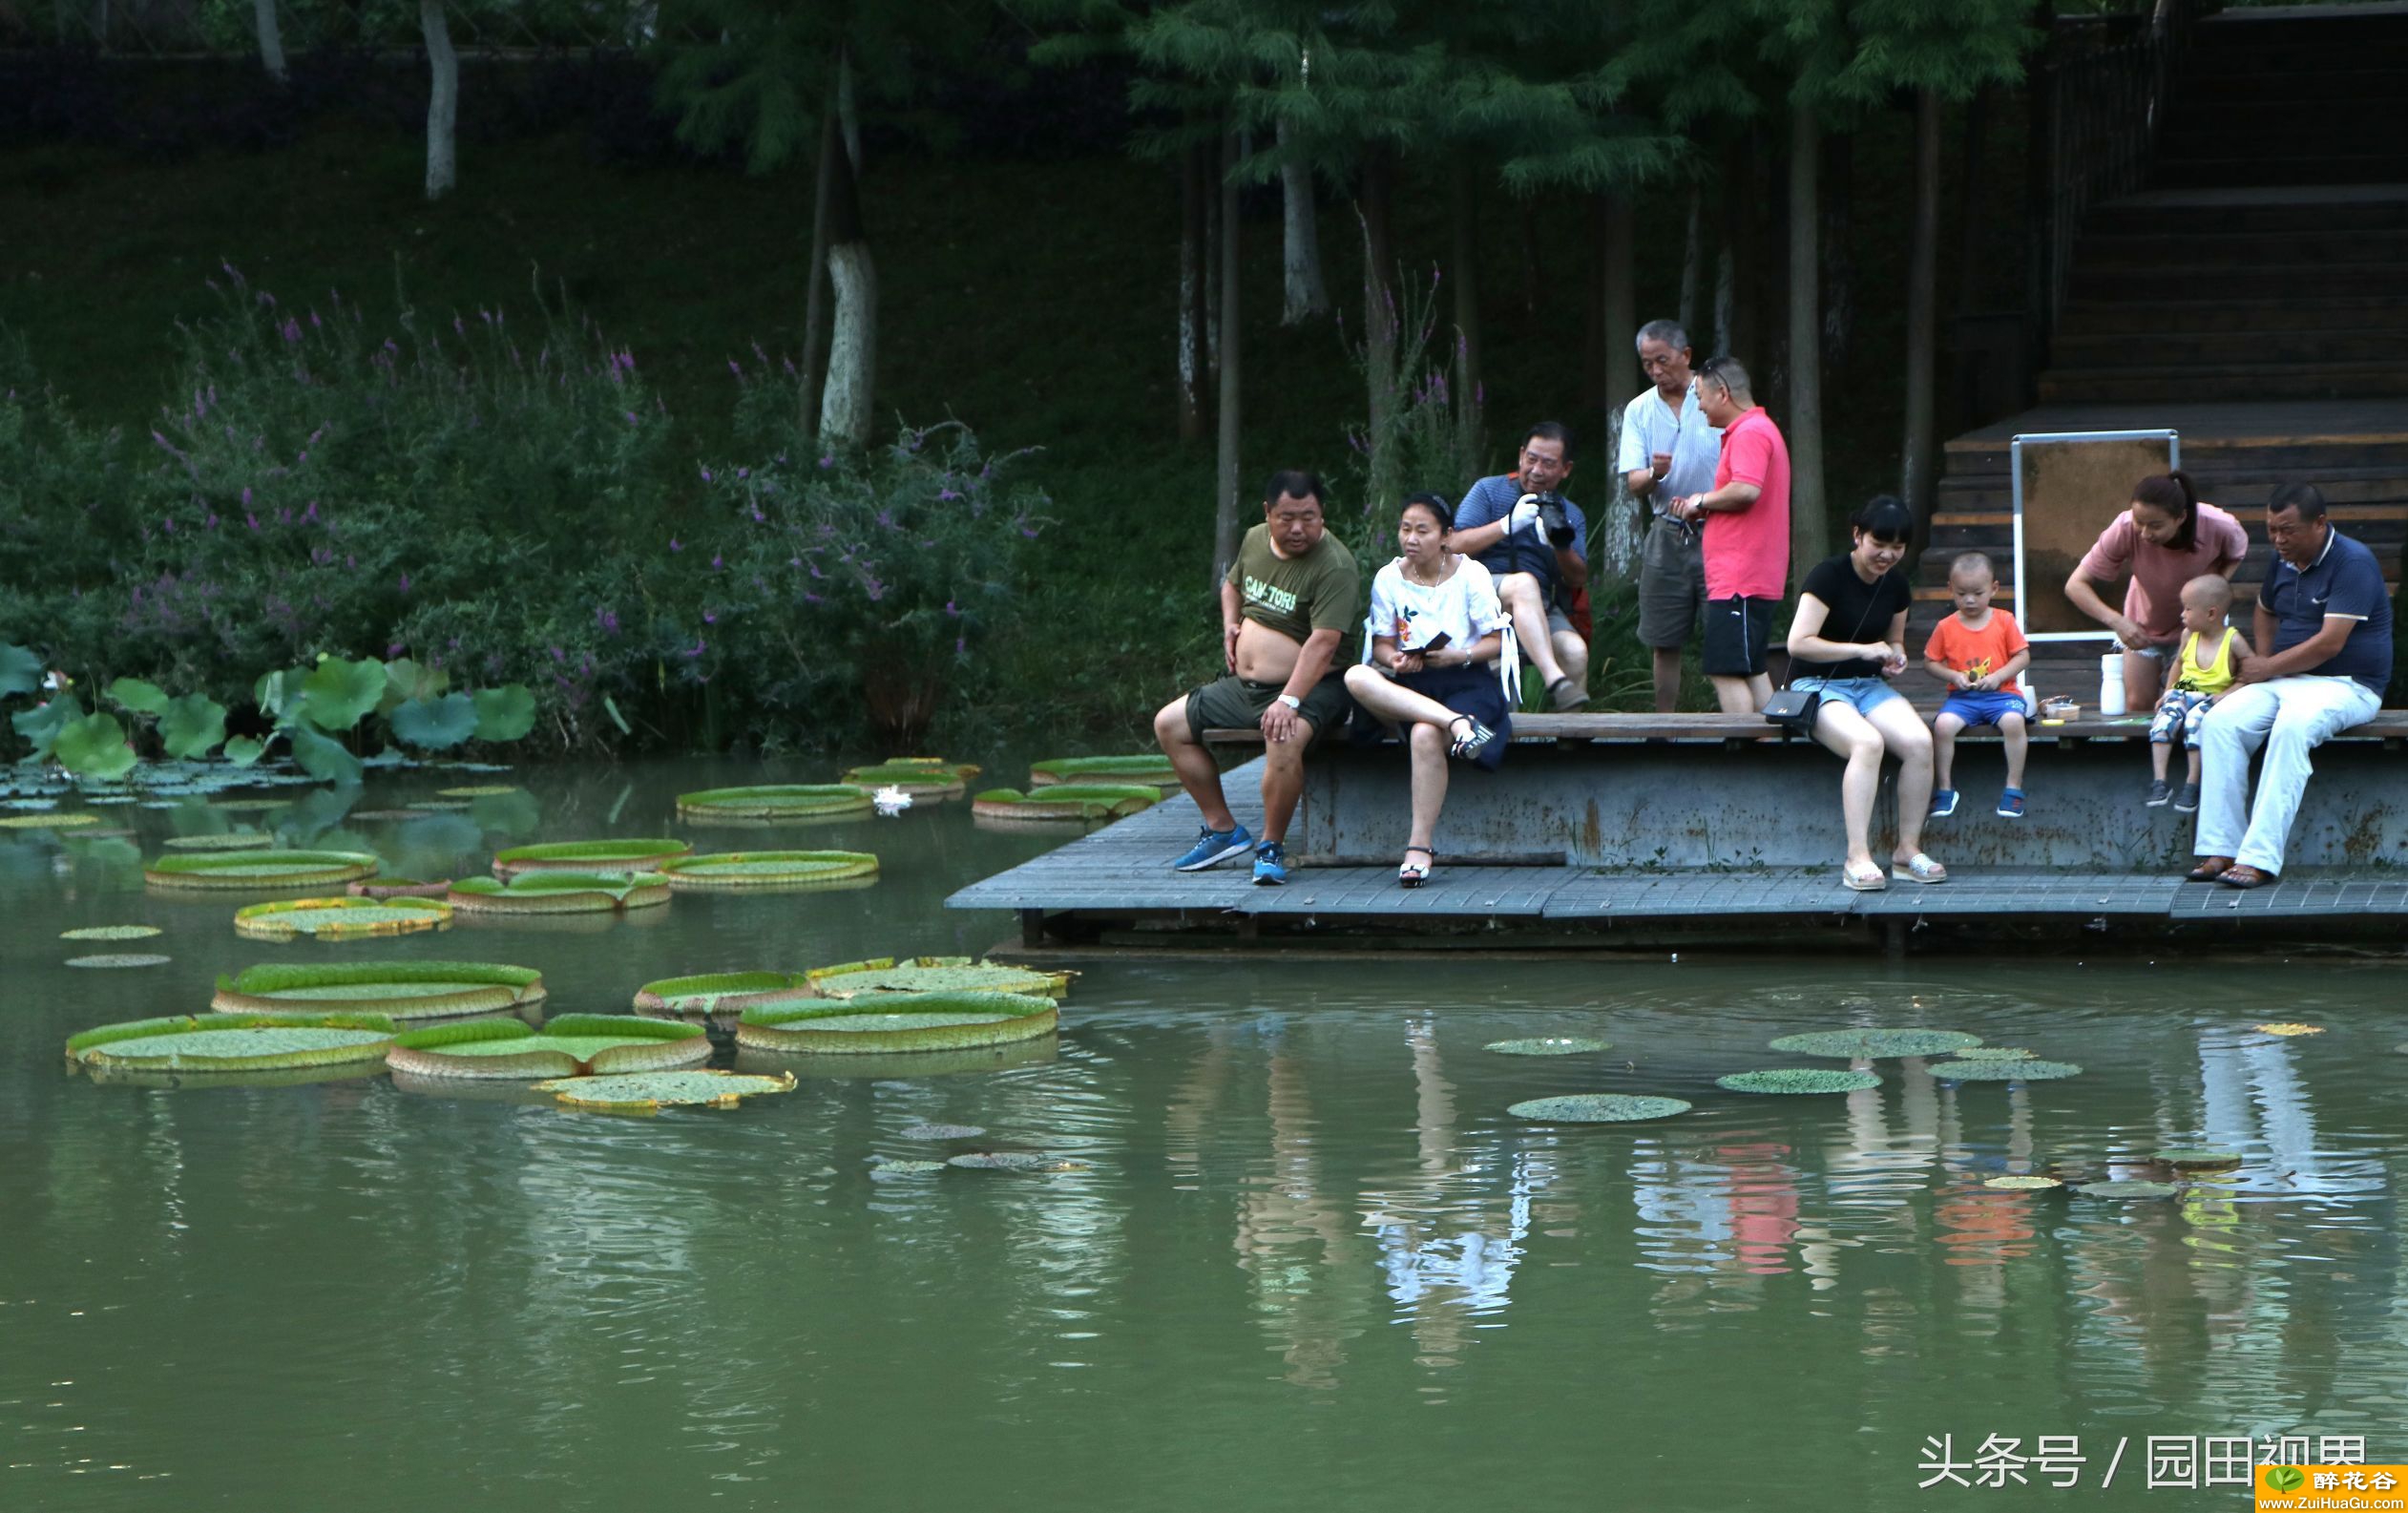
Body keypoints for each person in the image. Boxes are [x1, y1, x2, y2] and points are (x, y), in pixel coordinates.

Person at [1155, 470, 1360, 886]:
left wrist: (1290, 700)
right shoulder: (1253, 540)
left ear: (1323, 515)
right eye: (1287, 518)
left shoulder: (1336, 565)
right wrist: (1231, 625)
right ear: (1268, 513)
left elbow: (1323, 643)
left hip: (1314, 686)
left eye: (1309, 517)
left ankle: (1271, 845)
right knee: (1169, 724)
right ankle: (1223, 829)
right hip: (1244, 687)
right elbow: (1231, 587)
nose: (1299, 528)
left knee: (1281, 737)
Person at [2188, 483, 2392, 889]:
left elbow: (2331, 643)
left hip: (2348, 685)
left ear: (2320, 524)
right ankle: (2221, 847)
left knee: (2291, 728)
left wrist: (2266, 668)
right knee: (2220, 723)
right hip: (2288, 679)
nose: (2278, 540)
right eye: (2271, 530)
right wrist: (2268, 664)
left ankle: (2259, 857)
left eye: (2288, 530)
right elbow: (2264, 612)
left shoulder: (2353, 562)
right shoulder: (2283, 561)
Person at [1340, 494, 1512, 887]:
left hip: (1465, 679)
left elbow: (1497, 641)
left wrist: (1457, 655)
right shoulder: (1389, 577)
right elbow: (1382, 643)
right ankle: (1457, 724)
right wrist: (1395, 659)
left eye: (1422, 530)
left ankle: (1419, 848)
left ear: (1446, 536)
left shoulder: (1472, 575)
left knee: (1422, 732)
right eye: (1405, 529)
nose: (1411, 539)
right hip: (1411, 685)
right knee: (1356, 676)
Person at [1784, 495, 1948, 892]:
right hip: (1817, 686)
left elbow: (1894, 640)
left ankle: (1907, 851)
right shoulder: (1828, 576)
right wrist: (1860, 650)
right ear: (1858, 535)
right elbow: (1798, 644)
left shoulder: (1895, 586)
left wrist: (1896, 657)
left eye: (1898, 547)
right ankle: (1856, 856)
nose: (1888, 555)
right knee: (1867, 742)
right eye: (1880, 543)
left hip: (1869, 686)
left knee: (1920, 742)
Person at [2063, 470, 2249, 709]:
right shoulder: (2124, 527)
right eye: (2139, 522)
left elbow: (2237, 553)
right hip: (2143, 625)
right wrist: (2118, 622)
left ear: (2180, 517)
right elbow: (2075, 585)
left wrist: (2212, 589)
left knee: (2196, 701)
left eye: (2155, 526)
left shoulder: (2219, 525)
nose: (2144, 533)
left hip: (2200, 627)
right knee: (2138, 704)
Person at [1667, 356, 1789, 714]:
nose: (1699, 405)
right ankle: (1769, 748)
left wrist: (1702, 499)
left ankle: (1745, 757)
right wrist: (1702, 506)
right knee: (1750, 668)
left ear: (1723, 393)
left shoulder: (1750, 432)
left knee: (1725, 670)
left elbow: (1746, 490)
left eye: (1701, 396)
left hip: (1742, 579)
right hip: (1745, 577)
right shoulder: (1757, 429)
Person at [1619, 320, 1724, 712]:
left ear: (1686, 355)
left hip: (1721, 530)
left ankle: (1737, 726)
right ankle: (1664, 727)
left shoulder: (1717, 397)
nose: (1656, 371)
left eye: (1662, 361)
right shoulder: (1639, 410)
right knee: (1664, 640)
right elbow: (1634, 483)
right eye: (1647, 364)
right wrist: (1655, 474)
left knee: (1724, 635)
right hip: (1667, 533)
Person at [1451, 422, 1590, 710]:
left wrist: (1559, 546)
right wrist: (1505, 526)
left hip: (1538, 604)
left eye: (1549, 464)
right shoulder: (1489, 490)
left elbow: (1577, 578)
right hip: (1483, 595)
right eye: (1532, 459)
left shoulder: (1571, 513)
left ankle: (1570, 743)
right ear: (1521, 455)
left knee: (1575, 652)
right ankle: (1554, 679)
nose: (1537, 470)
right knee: (1523, 583)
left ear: (1565, 469)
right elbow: (1453, 544)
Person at [1922, 552, 2032, 821]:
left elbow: (2023, 656)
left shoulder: (2004, 620)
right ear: (1950, 589)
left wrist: (1998, 677)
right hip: (1963, 698)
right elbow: (1930, 662)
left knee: (2013, 723)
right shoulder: (1945, 627)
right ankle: (1945, 788)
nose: (1969, 600)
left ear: (1994, 589)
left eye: (1977, 593)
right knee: (1943, 726)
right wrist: (1952, 675)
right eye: (1961, 593)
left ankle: (2013, 788)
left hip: (2003, 694)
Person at [2145, 575, 2251, 813]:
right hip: (2185, 692)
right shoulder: (2188, 636)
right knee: (2163, 720)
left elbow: (2250, 670)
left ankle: (2192, 782)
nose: (2182, 615)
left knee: (2195, 723)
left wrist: (2230, 692)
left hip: (2211, 697)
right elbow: (2178, 663)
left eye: (2188, 609)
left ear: (2211, 614)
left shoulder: (2232, 640)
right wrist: (2169, 690)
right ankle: (2159, 781)